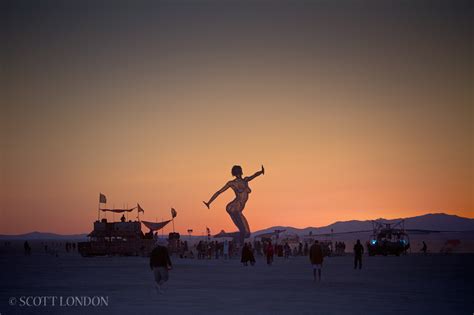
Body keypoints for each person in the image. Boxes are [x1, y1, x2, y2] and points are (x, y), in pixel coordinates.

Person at [203, 165, 265, 245]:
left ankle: (229, 238)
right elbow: (219, 192)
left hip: (234, 208)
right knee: (246, 233)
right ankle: (233, 240)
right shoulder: (233, 183)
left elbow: (254, 175)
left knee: (245, 233)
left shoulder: (245, 180)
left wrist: (261, 172)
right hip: (235, 208)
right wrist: (209, 202)